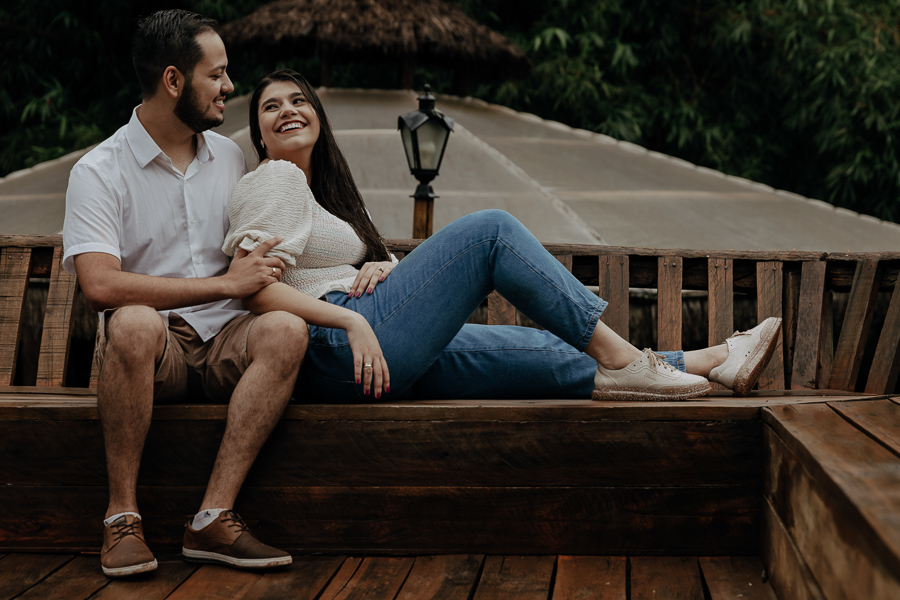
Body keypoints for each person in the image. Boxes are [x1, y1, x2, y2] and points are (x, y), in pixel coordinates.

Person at [222, 69, 782, 404]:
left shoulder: (332, 197)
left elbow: (336, 268)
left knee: (545, 353)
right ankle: (625, 359)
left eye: (299, 100)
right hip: (336, 348)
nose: (288, 110)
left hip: (379, 346)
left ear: (319, 118)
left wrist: (385, 268)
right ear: (260, 137)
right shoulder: (274, 178)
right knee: (490, 231)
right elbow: (250, 288)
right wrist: (348, 317)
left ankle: (715, 360)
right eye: (271, 106)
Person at [63, 11, 305, 578]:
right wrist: (224, 283)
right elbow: (99, 285)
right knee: (131, 322)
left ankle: (214, 518)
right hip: (156, 353)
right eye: (216, 75)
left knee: (288, 330)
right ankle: (121, 519)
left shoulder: (232, 158)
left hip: (229, 342)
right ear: (174, 81)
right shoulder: (98, 171)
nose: (228, 88)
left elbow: (276, 241)